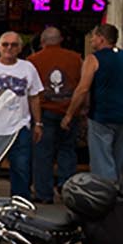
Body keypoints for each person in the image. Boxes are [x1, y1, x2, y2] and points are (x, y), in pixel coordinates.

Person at [64, 22, 123, 183]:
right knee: (118, 160)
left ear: (101, 38)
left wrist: (70, 113)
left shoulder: (93, 59)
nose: (91, 40)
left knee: (102, 161)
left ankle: (106, 195)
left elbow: (83, 89)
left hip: (103, 115)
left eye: (93, 37)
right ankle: (118, 191)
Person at [0, 31, 43, 199]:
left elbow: (34, 97)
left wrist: (38, 123)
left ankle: (19, 206)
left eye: (14, 45)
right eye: (5, 44)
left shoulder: (28, 68)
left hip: (19, 128)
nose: (9, 48)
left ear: (20, 48)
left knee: (21, 169)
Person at [28, 27, 82, 202]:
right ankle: (68, 192)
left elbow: (30, 90)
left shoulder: (33, 61)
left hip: (44, 113)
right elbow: (83, 86)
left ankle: (44, 194)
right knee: (68, 151)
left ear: (42, 42)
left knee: (43, 154)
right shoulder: (76, 59)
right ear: (61, 40)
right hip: (70, 111)